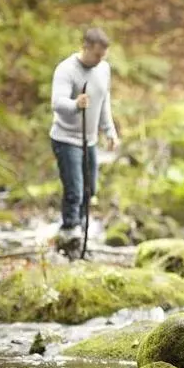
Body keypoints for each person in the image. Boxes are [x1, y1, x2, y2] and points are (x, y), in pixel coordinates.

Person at [50, 27, 120, 242]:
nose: (100, 60)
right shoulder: (66, 69)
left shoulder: (103, 69)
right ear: (86, 47)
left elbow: (103, 101)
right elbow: (57, 103)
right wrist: (75, 104)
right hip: (66, 139)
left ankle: (79, 230)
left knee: (91, 190)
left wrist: (109, 131)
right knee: (75, 191)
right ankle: (69, 232)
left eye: (103, 56)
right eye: (97, 55)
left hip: (89, 140)